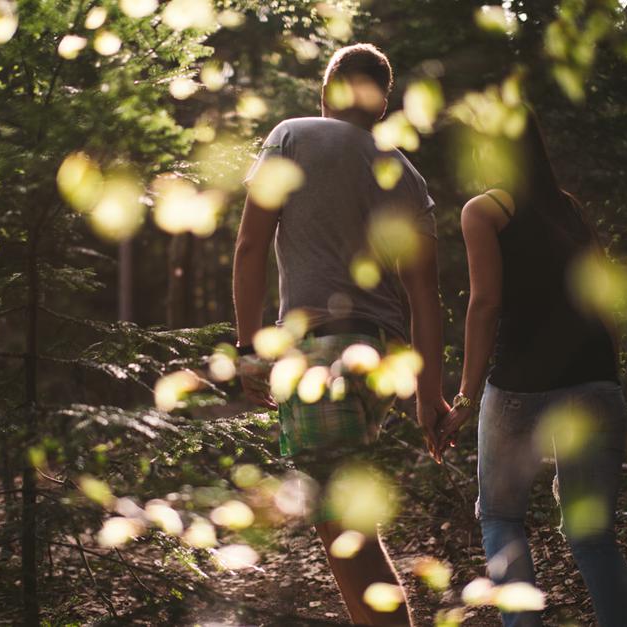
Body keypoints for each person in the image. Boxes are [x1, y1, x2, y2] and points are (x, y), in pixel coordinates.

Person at [232, 43, 449, 626]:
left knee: (347, 533)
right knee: (341, 528)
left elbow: (250, 246)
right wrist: (430, 395)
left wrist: (248, 347)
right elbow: (425, 296)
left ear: (326, 92)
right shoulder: (407, 176)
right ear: (381, 106)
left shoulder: (292, 136)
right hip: (381, 357)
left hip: (319, 355)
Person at [436, 111, 627, 626]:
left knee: (501, 517)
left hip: (520, 387)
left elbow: (485, 304)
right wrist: (608, 378)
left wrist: (464, 398)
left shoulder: (484, 211)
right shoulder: (567, 208)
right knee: (593, 535)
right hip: (597, 380)